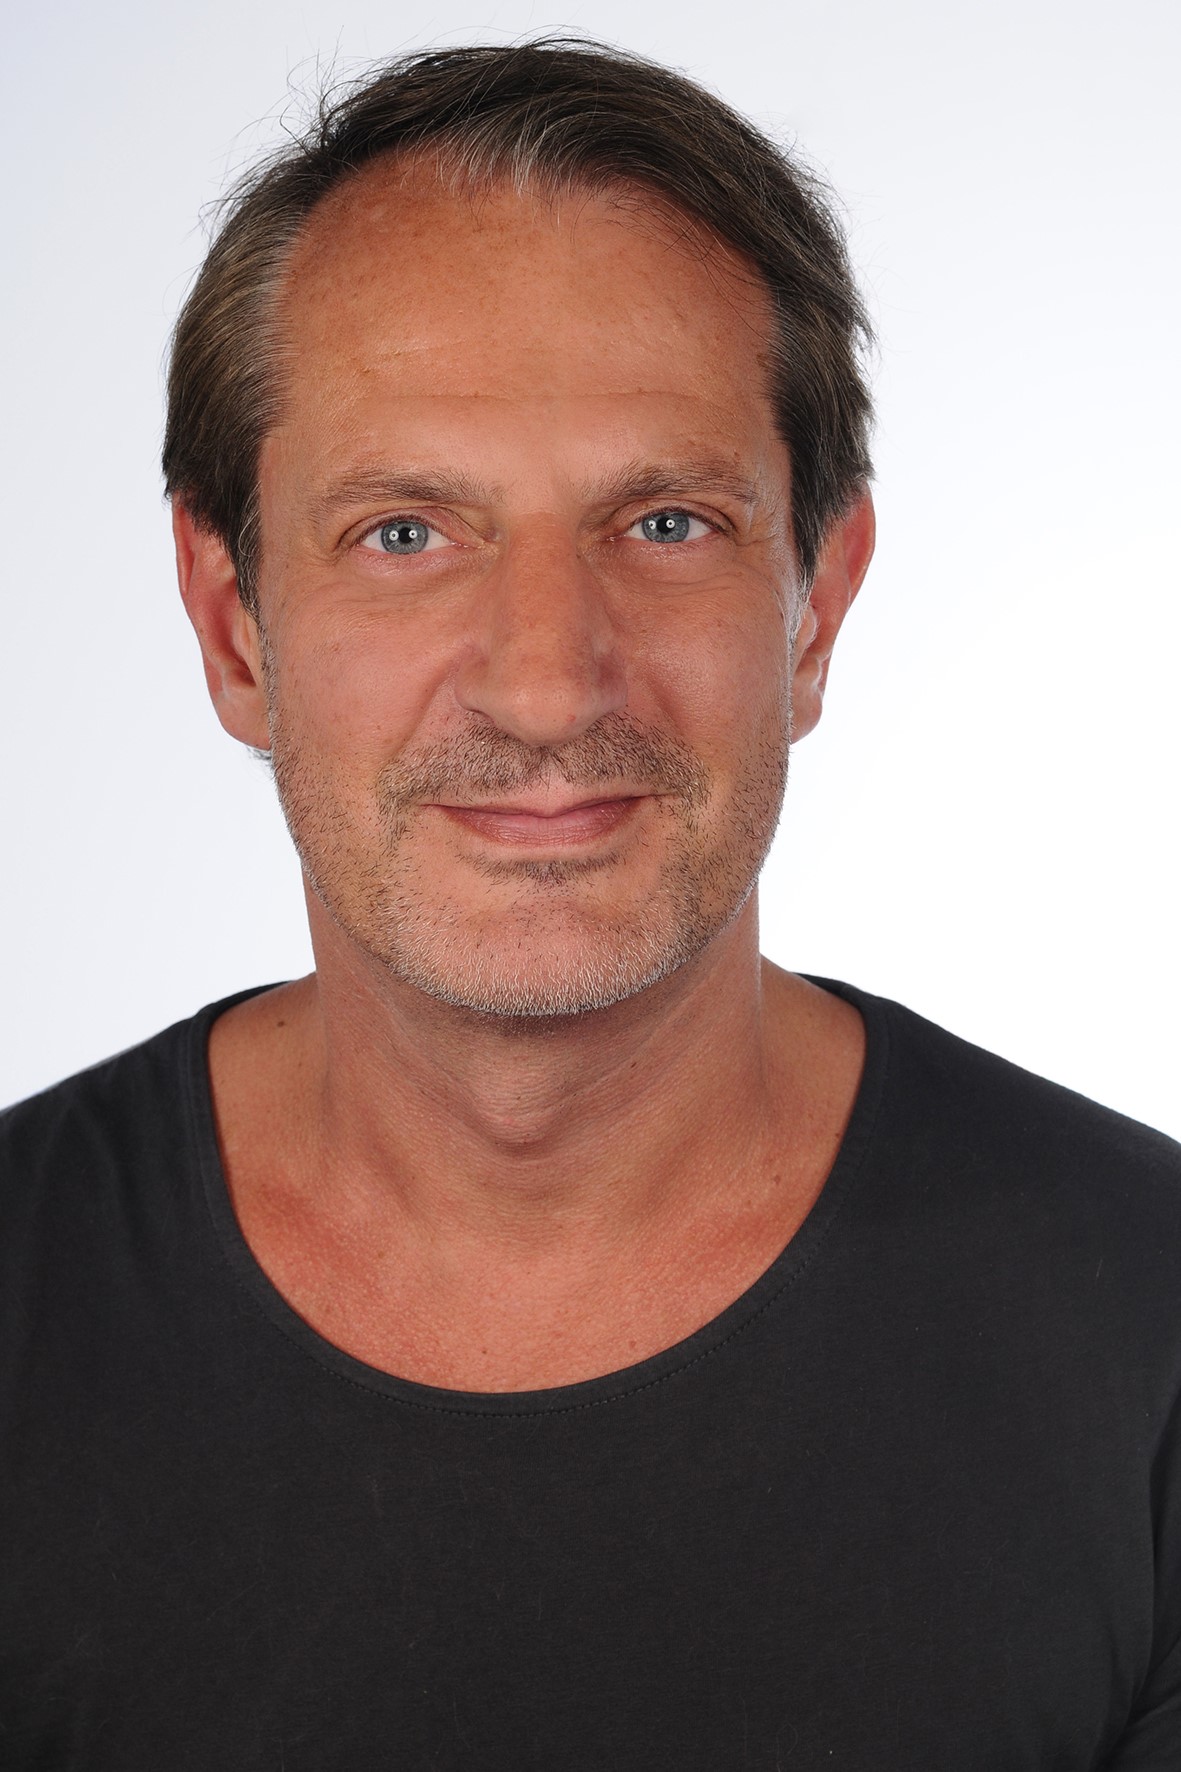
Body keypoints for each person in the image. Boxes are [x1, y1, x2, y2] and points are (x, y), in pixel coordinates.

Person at [1, 37, 1178, 1769]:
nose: (548, 687)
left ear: (816, 608)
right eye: (406, 534)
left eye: (667, 522)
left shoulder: (1150, 1340)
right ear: (232, 623)